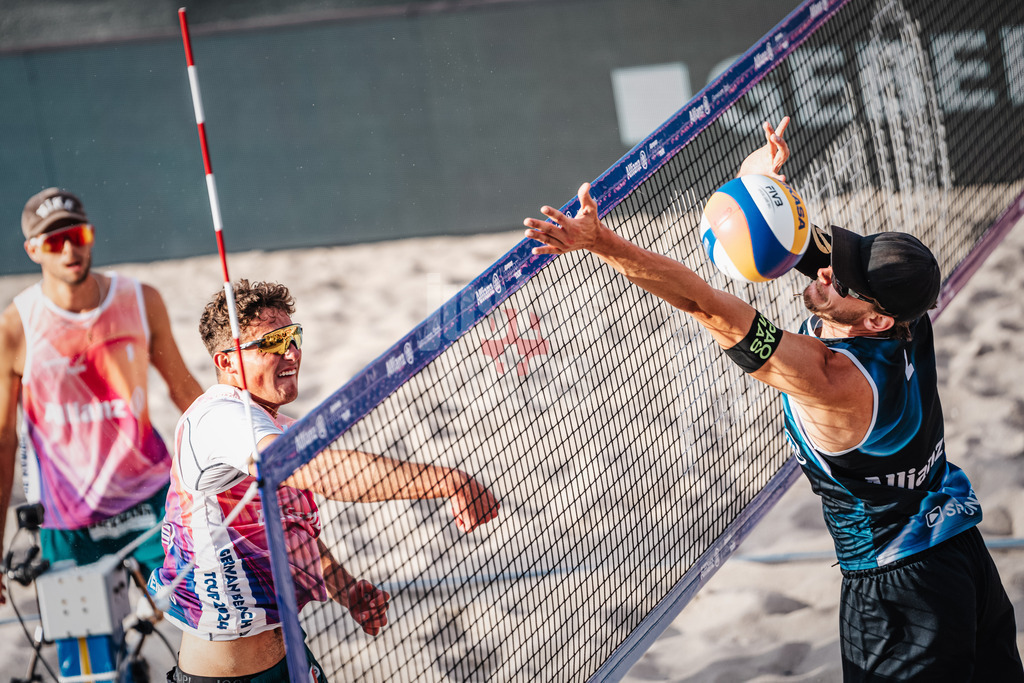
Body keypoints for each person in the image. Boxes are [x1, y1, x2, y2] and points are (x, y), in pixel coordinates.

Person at [523, 117, 1023, 681]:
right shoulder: (907, 317)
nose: (828, 270)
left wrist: (600, 242)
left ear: (876, 317)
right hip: (962, 552)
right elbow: (792, 238)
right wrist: (759, 177)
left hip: (898, 591)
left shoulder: (831, 379)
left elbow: (706, 306)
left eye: (841, 280)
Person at [149, 278, 500, 682]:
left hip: (291, 660)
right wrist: (445, 482)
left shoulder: (270, 423)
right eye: (271, 343)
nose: (291, 352)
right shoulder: (221, 418)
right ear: (227, 362)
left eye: (293, 337)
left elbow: (286, 526)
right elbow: (317, 470)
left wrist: (343, 586)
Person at [0, 187, 204, 676]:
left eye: (77, 235)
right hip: (70, 524)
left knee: (218, 630)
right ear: (33, 251)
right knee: (89, 672)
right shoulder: (15, 327)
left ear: (91, 236)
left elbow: (184, 392)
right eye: (53, 242)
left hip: (154, 504)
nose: (69, 249)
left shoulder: (140, 299)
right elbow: (3, 442)